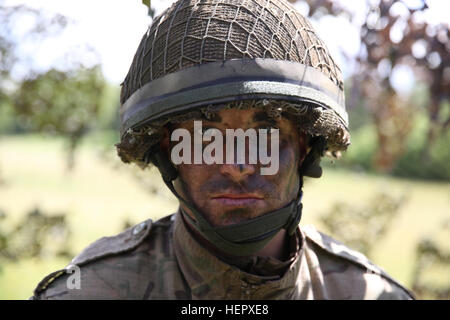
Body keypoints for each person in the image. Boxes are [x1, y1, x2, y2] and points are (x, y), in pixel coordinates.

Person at [31, 0, 414, 300]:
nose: (237, 165)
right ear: (168, 150)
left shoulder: (367, 294)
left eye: (266, 128)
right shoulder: (92, 291)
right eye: (204, 131)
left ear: (303, 145)